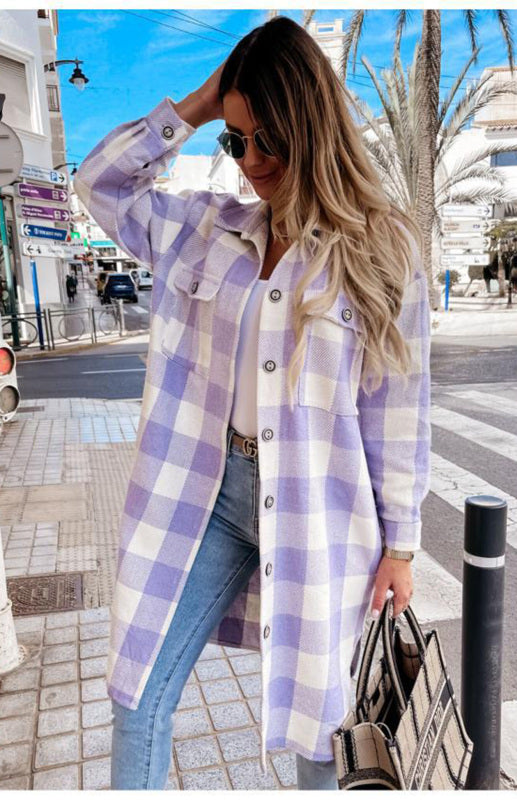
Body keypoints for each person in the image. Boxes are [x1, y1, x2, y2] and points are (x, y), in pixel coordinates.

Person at [74, 16, 431, 791]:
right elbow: (98, 184)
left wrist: (400, 546)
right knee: (135, 690)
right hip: (200, 495)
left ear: (312, 126)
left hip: (316, 505)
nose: (251, 161)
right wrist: (200, 104)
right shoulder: (203, 229)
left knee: (320, 720)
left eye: (268, 137)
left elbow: (396, 410)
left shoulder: (382, 249)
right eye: (235, 140)